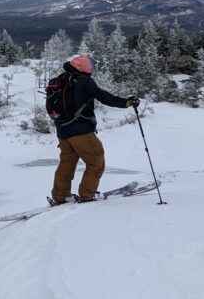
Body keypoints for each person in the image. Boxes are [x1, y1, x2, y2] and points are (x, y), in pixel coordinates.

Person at [50, 54, 138, 205]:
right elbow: (103, 96)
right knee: (96, 160)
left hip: (62, 130)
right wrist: (126, 103)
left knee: (67, 163)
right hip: (81, 130)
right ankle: (87, 195)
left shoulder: (59, 79)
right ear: (86, 69)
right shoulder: (85, 81)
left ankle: (60, 196)